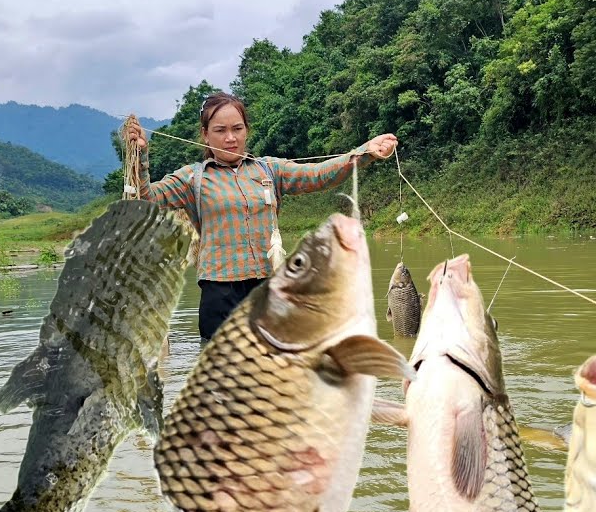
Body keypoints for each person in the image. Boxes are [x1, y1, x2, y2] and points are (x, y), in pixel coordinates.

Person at [125, 92, 397, 343]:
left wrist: (365, 152)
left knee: (273, 366)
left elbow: (318, 175)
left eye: (237, 129)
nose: (230, 138)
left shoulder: (269, 169)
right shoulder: (192, 178)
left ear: (247, 130)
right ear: (205, 135)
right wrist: (140, 156)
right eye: (220, 130)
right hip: (219, 293)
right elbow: (146, 199)